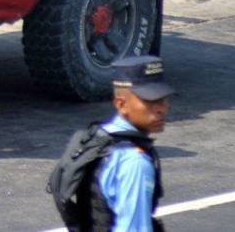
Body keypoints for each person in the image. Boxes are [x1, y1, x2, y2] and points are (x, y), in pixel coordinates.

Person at [49, 56, 173, 232]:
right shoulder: (134, 162)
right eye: (150, 101)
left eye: (163, 99)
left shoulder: (97, 139)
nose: (162, 108)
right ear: (121, 104)